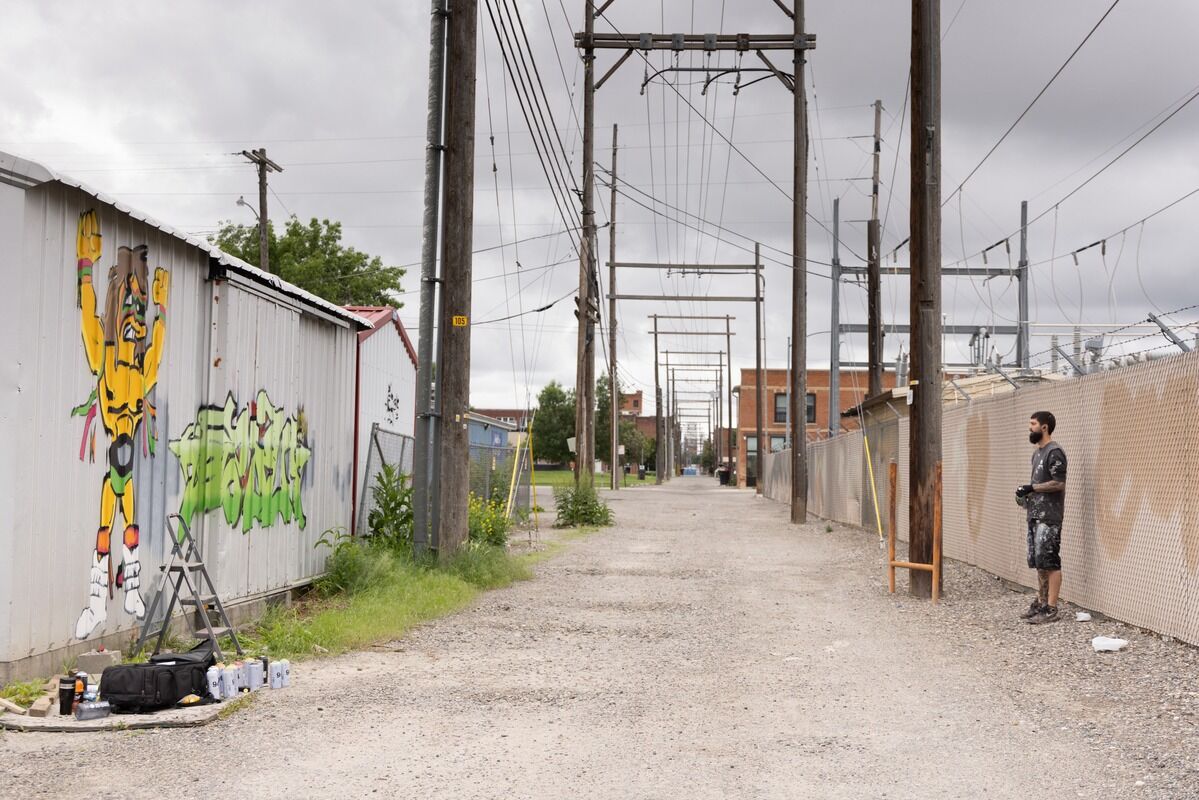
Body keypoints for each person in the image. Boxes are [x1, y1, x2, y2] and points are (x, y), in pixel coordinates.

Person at [1015, 411, 1067, 624]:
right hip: (1035, 515)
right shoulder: (1037, 453)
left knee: (1050, 561)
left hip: (1050, 516)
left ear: (1044, 427)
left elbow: (1059, 483)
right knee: (1039, 562)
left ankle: (1052, 608)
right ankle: (1041, 603)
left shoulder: (1054, 452)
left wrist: (1032, 487)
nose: (1030, 427)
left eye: (1033, 424)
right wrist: (1024, 495)